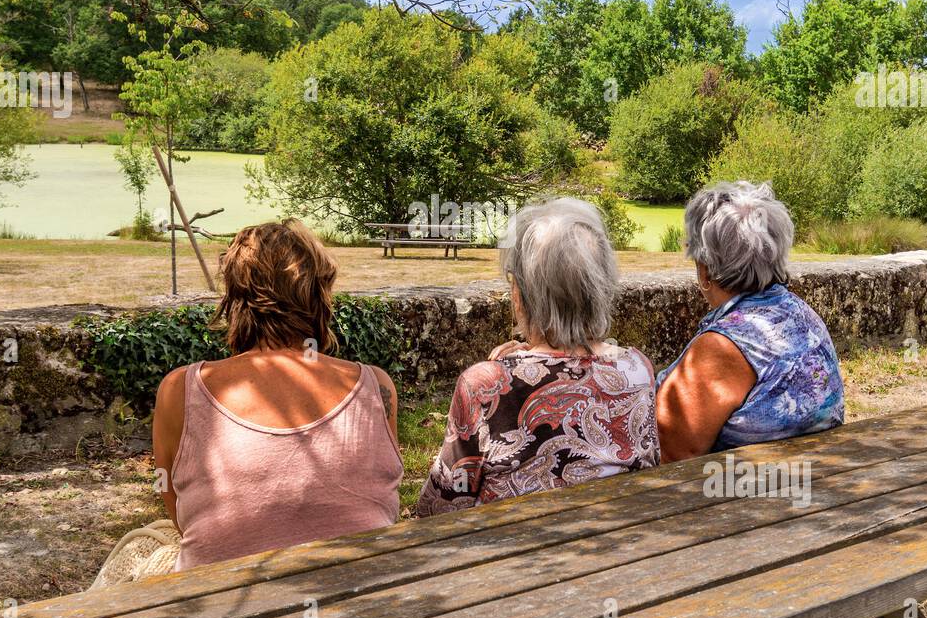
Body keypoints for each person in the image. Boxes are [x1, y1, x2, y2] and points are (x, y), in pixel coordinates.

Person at [152, 219, 402, 569]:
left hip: (218, 609)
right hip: (362, 599)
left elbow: (183, 517)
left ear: (234, 299)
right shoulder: (376, 388)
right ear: (319, 296)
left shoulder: (179, 390)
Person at [416, 198, 658, 515]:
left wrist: (505, 369)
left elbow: (441, 506)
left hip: (515, 557)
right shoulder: (636, 368)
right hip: (621, 546)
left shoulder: (485, 386)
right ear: (602, 288)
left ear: (519, 293)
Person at [655, 181, 844, 462]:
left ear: (705, 272)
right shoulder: (799, 312)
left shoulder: (723, 346)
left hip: (742, 493)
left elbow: (669, 449)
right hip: (813, 477)